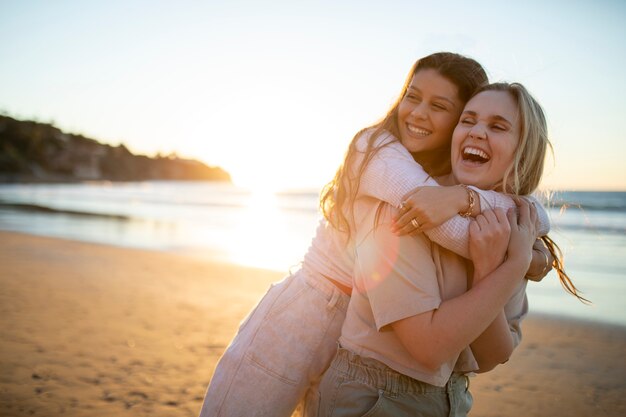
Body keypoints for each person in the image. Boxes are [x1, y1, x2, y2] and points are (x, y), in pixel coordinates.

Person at [198, 53, 553, 417]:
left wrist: (519, 243)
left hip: (359, 329)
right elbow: (457, 231)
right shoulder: (379, 152)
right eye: (411, 97)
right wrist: (522, 257)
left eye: (439, 106)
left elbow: (532, 213)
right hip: (306, 312)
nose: (417, 113)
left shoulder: (449, 186)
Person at [316, 82, 583, 417]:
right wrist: (512, 266)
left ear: (524, 152)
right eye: (467, 121)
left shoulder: (515, 231)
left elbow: (493, 355)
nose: (476, 133)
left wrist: (489, 270)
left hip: (451, 400)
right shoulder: (404, 210)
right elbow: (429, 348)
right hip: (373, 396)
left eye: (497, 126)